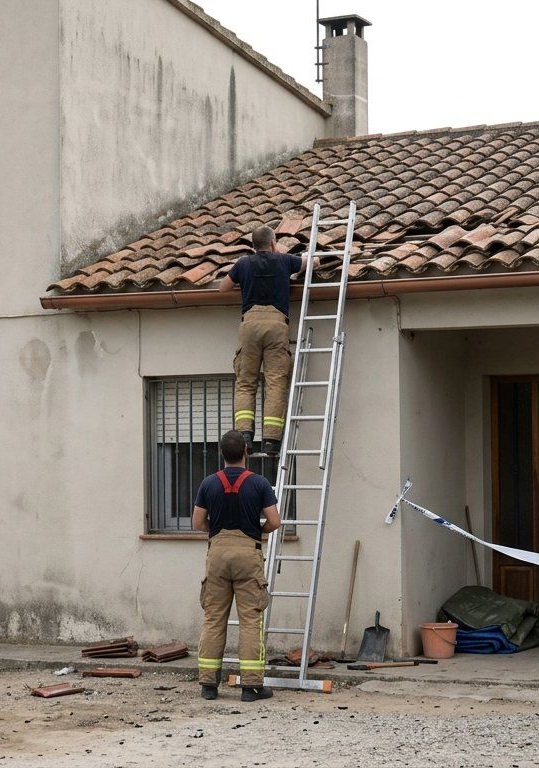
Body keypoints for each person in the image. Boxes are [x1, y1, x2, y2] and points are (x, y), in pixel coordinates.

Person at [192, 429, 282, 702]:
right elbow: (275, 521)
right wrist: (257, 531)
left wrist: (218, 533)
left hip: (217, 554)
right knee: (250, 621)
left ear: (221, 453)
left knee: (213, 619)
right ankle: (251, 687)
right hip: (248, 554)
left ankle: (209, 685)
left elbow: (198, 523)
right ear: (246, 451)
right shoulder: (259, 483)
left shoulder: (208, 483)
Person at [218, 226, 314, 457]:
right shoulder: (284, 260)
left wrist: (244, 281)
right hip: (277, 325)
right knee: (275, 382)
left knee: (246, 382)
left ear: (253, 245)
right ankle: (271, 440)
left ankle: (244, 437)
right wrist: (314, 257)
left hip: (249, 325)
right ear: (272, 243)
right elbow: (309, 263)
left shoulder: (243, 263)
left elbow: (223, 288)